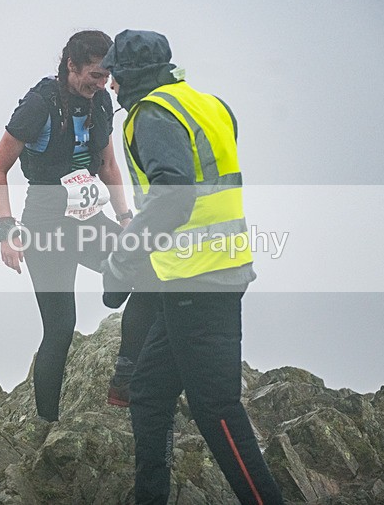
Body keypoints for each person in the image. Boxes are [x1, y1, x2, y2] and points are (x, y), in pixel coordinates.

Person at [100, 30, 284, 504]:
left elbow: (175, 194)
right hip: (208, 273)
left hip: (198, 280)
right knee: (148, 391)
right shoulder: (210, 105)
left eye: (114, 74)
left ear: (129, 75)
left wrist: (122, 263)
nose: (111, 85)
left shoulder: (151, 115)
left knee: (216, 408)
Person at [0, 30, 156, 421]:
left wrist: (125, 218)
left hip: (90, 222)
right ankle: (46, 422)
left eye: (106, 76)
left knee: (152, 275)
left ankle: (125, 377)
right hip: (45, 228)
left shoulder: (101, 103)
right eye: (94, 75)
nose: (101, 84)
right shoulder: (39, 104)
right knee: (61, 328)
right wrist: (6, 232)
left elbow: (109, 166)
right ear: (71, 66)